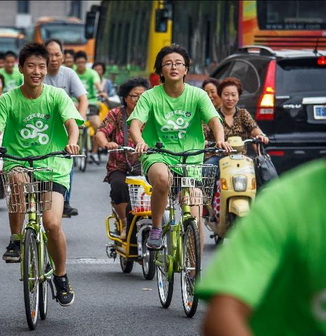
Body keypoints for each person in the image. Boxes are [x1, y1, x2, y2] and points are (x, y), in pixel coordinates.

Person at [196, 47, 326, 336]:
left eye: (234, 95)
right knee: (208, 171)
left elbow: (256, 130)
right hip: (218, 155)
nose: (230, 98)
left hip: (241, 156)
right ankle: (211, 208)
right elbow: (223, 315)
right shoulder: (285, 205)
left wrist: (259, 136)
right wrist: (216, 144)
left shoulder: (245, 115)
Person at [0, 42, 83, 306]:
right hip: (18, 161)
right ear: (21, 68)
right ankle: (16, 240)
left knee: (51, 224)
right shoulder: (8, 98)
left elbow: (73, 125)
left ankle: (61, 276)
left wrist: (72, 142)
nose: (36, 71)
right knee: (16, 180)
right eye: (31, 66)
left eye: (41, 66)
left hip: (53, 165)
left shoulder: (57, 96)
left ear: (47, 69)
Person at [128, 44, 231, 250]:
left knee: (194, 215)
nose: (173, 67)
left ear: (186, 69)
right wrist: (140, 141)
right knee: (163, 179)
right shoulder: (150, 96)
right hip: (158, 154)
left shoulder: (198, 95)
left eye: (178, 63)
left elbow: (214, 121)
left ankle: (194, 273)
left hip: (190, 157)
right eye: (168, 64)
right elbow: (135, 125)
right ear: (160, 70)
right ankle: (157, 227)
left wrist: (220, 139)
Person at [95, 77, 150, 240]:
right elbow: (101, 132)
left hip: (146, 164)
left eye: (143, 95)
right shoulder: (116, 114)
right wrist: (107, 143)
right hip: (119, 165)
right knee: (119, 186)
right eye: (134, 95)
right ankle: (124, 222)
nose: (138, 99)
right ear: (125, 97)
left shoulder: (152, 114)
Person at [44, 39, 89, 218]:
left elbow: (83, 98)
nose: (53, 58)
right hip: (41, 126)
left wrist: (81, 118)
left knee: (66, 160)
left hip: (64, 126)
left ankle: (65, 201)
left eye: (57, 54)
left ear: (63, 56)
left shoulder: (69, 74)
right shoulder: (38, 73)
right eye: (49, 54)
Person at [74, 51, 103, 163]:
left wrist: (101, 91)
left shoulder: (92, 73)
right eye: (78, 62)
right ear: (75, 63)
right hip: (75, 102)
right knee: (71, 124)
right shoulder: (73, 73)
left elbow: (97, 84)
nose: (81, 64)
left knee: (98, 126)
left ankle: (94, 152)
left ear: (86, 62)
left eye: (83, 62)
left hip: (91, 102)